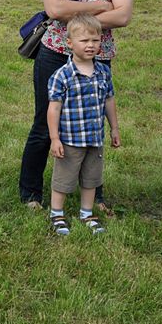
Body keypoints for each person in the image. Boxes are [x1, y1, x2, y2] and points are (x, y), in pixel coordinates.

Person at [19, 0, 133, 215]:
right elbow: (54, 9)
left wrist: (74, 14)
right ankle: (31, 192)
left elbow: (123, 15)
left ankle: (93, 194)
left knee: (93, 124)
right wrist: (99, 6)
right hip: (55, 53)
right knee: (45, 121)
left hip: (98, 57)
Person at [48, 14, 121, 235]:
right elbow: (54, 108)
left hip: (95, 138)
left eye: (95, 40)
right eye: (84, 41)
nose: (90, 45)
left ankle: (87, 213)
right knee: (64, 178)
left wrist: (114, 128)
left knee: (91, 178)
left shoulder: (103, 72)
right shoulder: (62, 75)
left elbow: (109, 100)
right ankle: (57, 214)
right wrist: (54, 138)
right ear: (69, 43)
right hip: (70, 139)